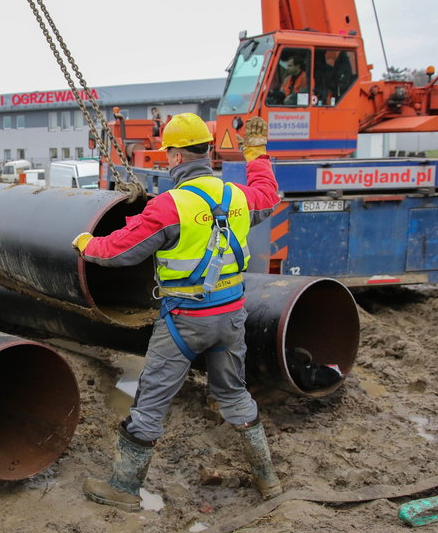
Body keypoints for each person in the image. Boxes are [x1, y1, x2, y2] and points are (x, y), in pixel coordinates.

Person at [72, 113, 283, 511]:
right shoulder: (237, 197)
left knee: (150, 402)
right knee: (234, 394)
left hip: (187, 320)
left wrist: (87, 243)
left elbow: (120, 250)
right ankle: (268, 480)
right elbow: (267, 195)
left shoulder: (172, 206)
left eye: (168, 153)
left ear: (174, 156)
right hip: (232, 315)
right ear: (207, 149)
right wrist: (257, 154)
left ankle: (124, 487)